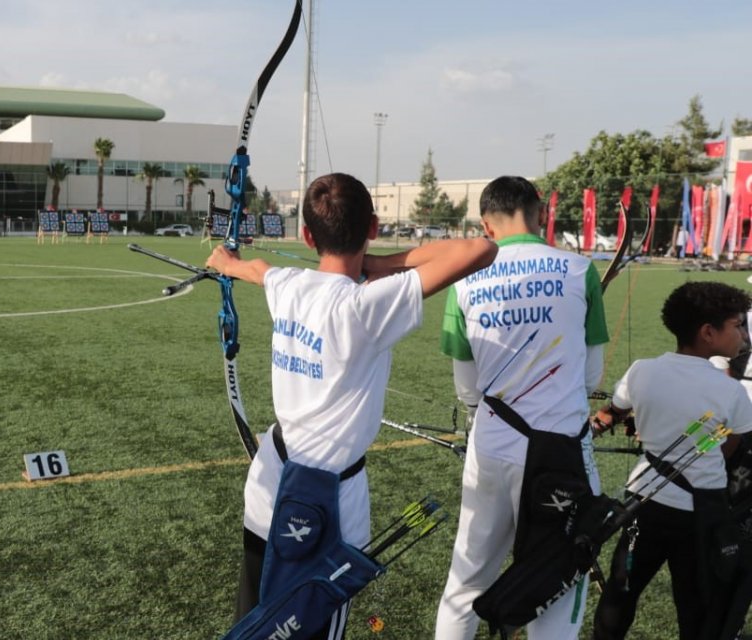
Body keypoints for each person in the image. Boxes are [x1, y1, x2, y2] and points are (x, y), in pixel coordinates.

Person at [208, 172, 496, 637]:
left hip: (268, 490)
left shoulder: (289, 286)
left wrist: (227, 262)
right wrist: (382, 263)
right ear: (373, 227)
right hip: (334, 511)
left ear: (307, 236)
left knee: (253, 623)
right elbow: (481, 248)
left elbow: (258, 269)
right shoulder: (365, 307)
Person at [435, 175, 609, 640]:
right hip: (564, 449)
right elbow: (591, 378)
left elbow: (467, 388)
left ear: (485, 225)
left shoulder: (465, 277)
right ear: (541, 213)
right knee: (560, 575)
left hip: (493, 443)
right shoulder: (579, 269)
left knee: (467, 579)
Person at [589, 282, 752, 640]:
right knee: (696, 607)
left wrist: (588, 432)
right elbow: (730, 444)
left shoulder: (641, 370)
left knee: (621, 590)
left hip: (642, 502)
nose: (743, 333)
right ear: (708, 333)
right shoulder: (731, 391)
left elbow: (612, 412)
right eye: (737, 325)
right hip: (702, 512)